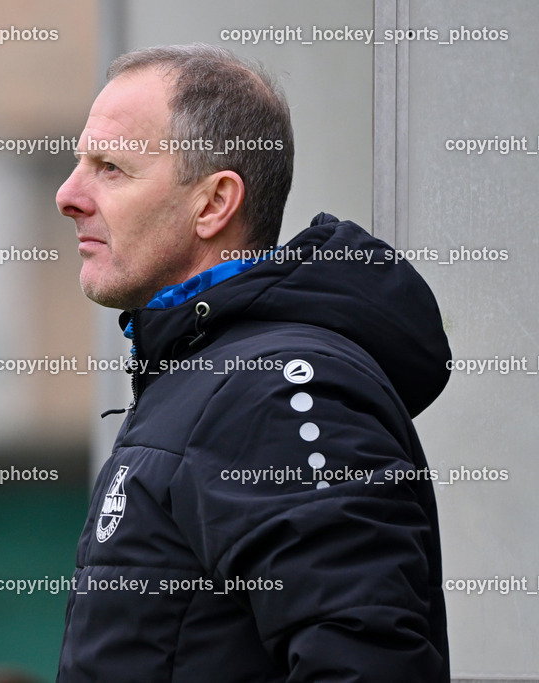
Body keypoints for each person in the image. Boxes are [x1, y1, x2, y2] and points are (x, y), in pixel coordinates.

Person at [55, 44, 450, 682]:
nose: (68, 195)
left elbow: (365, 664)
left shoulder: (276, 388)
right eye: (78, 162)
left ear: (213, 204)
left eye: (110, 167)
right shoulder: (201, 378)